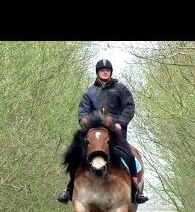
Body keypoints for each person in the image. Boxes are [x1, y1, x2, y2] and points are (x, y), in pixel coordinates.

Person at [57, 58, 149, 204]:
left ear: (111, 72)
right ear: (98, 73)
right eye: (102, 70)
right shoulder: (90, 92)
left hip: (116, 134)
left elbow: (129, 107)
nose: (105, 72)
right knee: (75, 154)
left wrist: (121, 123)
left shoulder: (120, 89)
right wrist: (85, 123)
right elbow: (83, 111)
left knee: (129, 156)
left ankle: (136, 190)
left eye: (107, 70)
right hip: (95, 135)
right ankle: (69, 190)